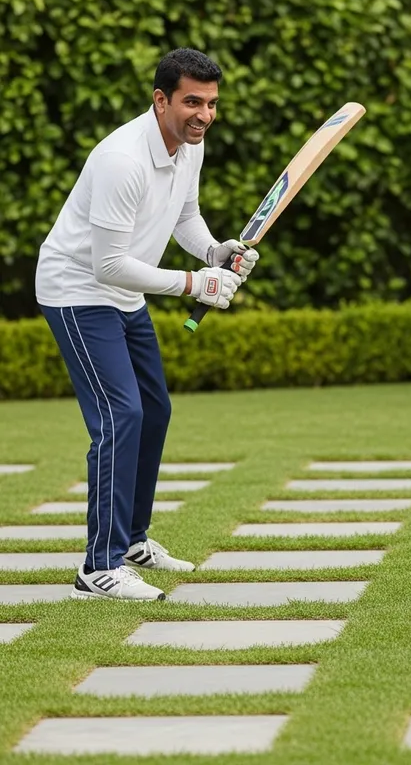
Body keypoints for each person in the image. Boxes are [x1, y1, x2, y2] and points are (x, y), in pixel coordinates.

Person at [35, 48, 258, 601]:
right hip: (78, 292)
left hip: (123, 296)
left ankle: (131, 540)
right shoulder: (122, 160)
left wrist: (215, 251)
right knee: (120, 415)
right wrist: (193, 284)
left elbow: (184, 217)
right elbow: (105, 265)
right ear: (160, 100)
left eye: (210, 103)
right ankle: (98, 567)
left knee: (154, 409)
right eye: (191, 102)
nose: (203, 114)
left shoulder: (189, 149)